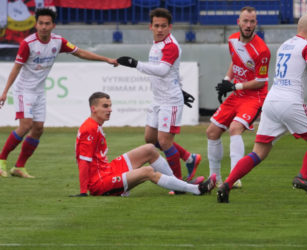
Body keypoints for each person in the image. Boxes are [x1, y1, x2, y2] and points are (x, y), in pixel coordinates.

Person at [217, 14, 307, 203]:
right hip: (290, 102)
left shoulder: (285, 45)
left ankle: (227, 184)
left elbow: (301, 73)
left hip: (271, 102)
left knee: (259, 152)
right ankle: (302, 177)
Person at [0, 8, 118, 178]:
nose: (43, 27)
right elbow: (16, 67)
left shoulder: (58, 42)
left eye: (47, 23)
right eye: (40, 23)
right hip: (23, 90)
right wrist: (5, 92)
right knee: (25, 125)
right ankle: (2, 160)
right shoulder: (28, 43)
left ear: (53, 25)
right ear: (36, 24)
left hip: (39, 91)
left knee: (38, 128)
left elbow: (80, 53)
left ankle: (19, 166)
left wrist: (106, 59)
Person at [71, 92, 216, 197]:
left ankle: (177, 185)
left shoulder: (94, 125)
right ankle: (196, 190)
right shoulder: (89, 128)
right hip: (100, 183)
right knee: (147, 172)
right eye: (105, 106)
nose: (110, 110)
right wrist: (84, 192)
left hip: (107, 170)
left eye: (110, 106)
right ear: (93, 108)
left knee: (150, 149)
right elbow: (84, 161)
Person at [116, 8, 201, 185]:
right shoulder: (156, 44)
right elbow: (172, 72)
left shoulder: (171, 45)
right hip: (158, 98)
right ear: (150, 27)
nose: (160, 29)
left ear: (170, 27)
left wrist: (135, 64)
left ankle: (177, 183)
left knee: (164, 141)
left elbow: (163, 71)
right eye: (157, 26)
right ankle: (188, 157)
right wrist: (180, 88)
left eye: (164, 26)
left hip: (170, 100)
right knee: (150, 139)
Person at [206, 6, 271, 188]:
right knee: (212, 131)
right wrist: (226, 81)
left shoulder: (262, 51)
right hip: (238, 94)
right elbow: (235, 63)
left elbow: (260, 81)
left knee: (235, 128)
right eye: (245, 21)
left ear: (256, 23)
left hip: (254, 97)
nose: (248, 25)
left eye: (252, 21)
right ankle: (214, 179)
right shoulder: (232, 40)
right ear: (239, 22)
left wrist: (234, 85)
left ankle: (234, 179)